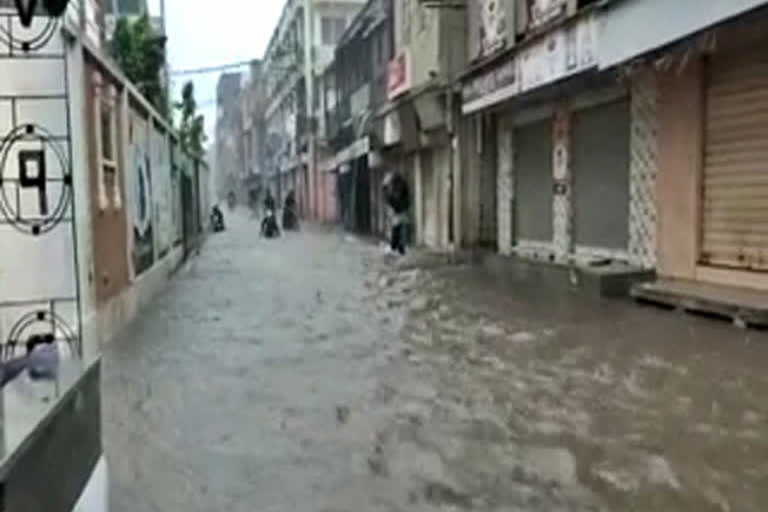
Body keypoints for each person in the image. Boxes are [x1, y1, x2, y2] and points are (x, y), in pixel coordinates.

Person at [383, 171, 410, 255]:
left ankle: (396, 247)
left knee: (397, 229)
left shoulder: (394, 186)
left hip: (397, 210)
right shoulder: (400, 185)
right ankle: (399, 248)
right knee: (399, 229)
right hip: (400, 210)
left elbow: (390, 197)